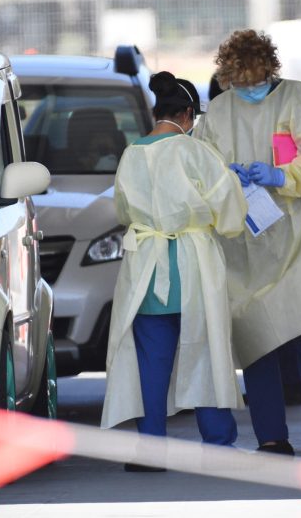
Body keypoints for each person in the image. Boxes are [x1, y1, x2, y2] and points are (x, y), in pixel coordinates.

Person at [194, 29, 301, 458]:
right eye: (240, 84)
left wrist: (282, 176)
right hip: (246, 245)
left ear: (270, 70)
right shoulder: (218, 111)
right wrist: (228, 180)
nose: (250, 90)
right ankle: (271, 438)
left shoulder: (296, 98)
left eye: (256, 82)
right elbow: (203, 171)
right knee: (257, 343)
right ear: (228, 80)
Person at [101, 71, 248, 472]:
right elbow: (230, 213)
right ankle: (217, 445)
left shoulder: (132, 153)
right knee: (206, 351)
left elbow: (122, 211)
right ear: (187, 114)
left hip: (147, 269)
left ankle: (150, 451)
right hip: (192, 264)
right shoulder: (195, 151)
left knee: (152, 363)